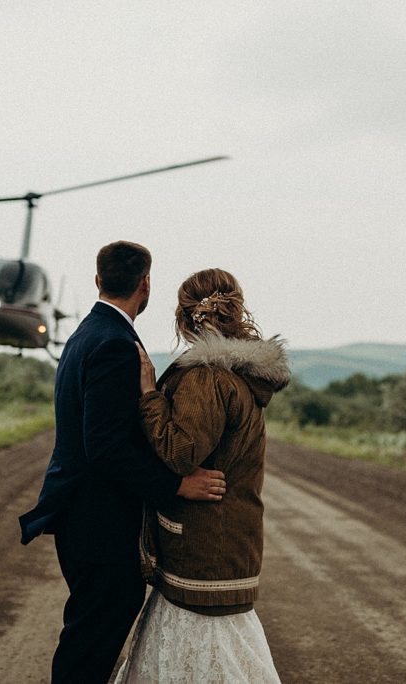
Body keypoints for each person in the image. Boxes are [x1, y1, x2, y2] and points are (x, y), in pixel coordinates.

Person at [18, 242, 227, 683]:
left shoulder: (85, 335)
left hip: (81, 518)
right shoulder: (114, 343)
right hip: (99, 526)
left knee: (85, 639)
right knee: (88, 648)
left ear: (98, 280)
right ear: (146, 284)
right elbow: (106, 447)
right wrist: (176, 486)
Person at [115, 267, 290, 683]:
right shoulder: (239, 375)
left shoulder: (207, 378)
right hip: (227, 544)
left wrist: (149, 396)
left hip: (203, 546)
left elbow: (180, 453)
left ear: (182, 317)